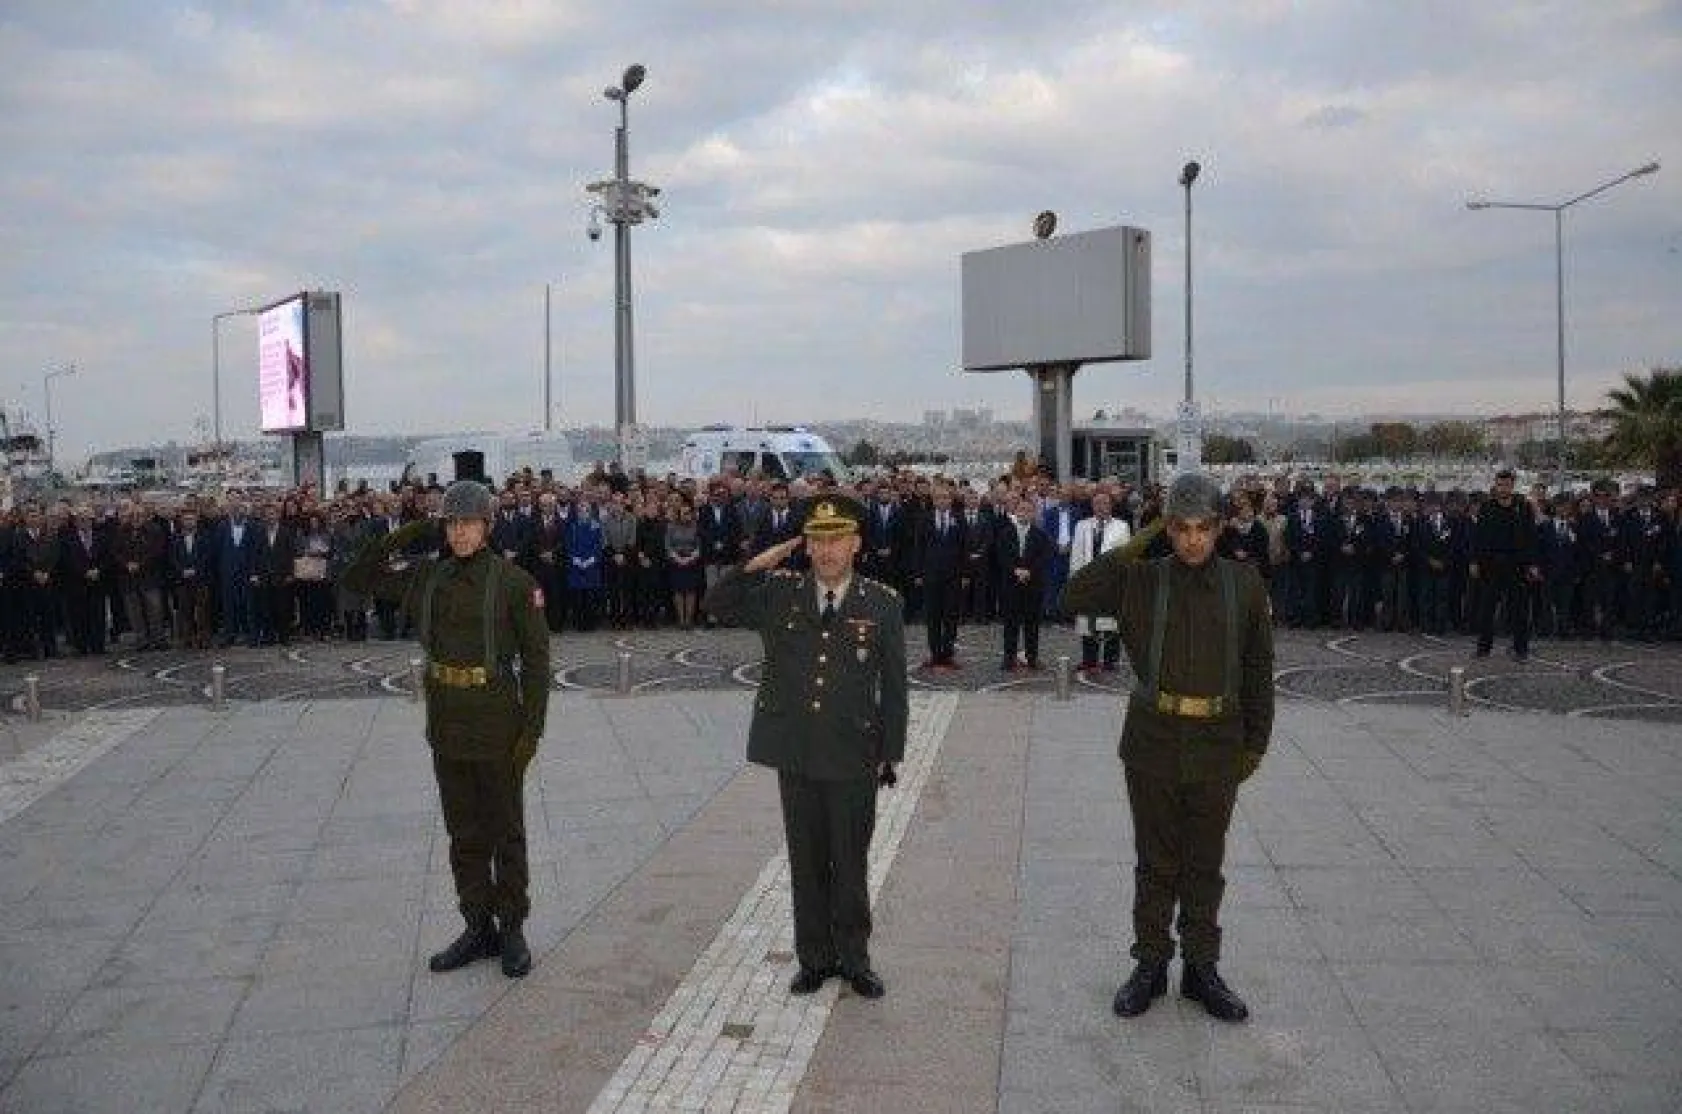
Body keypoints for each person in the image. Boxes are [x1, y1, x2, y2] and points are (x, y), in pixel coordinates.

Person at [1061, 471, 1275, 1023]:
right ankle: (1150, 963)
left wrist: (1256, 744)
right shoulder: (1143, 579)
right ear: (1168, 529)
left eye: (1204, 528)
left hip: (1217, 743)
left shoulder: (1244, 584)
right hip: (1153, 741)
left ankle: (1202, 968)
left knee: (1205, 863)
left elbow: (1257, 670)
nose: (1193, 540)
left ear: (1220, 527)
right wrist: (1140, 537)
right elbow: (1074, 593)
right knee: (1155, 862)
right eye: (1180, 528)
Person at [341, 480, 551, 979]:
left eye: (469, 523)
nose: (460, 533)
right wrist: (413, 525)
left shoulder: (514, 583)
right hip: (447, 723)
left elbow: (538, 662)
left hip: (499, 725)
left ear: (487, 527)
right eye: (452, 524)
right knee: (464, 834)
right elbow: (357, 575)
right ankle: (476, 925)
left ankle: (512, 929)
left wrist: (531, 733)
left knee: (506, 833)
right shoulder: (427, 577)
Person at [702, 495, 907, 1000]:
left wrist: (890, 751)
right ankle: (814, 959)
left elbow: (895, 686)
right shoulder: (780, 594)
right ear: (805, 546)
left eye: (837, 539)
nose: (827, 550)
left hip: (853, 753)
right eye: (817, 540)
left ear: (856, 543)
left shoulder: (882, 603)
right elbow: (717, 605)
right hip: (796, 752)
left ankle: (855, 959)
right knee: (806, 861)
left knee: (850, 860)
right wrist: (757, 564)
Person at [1470, 469, 1539, 661]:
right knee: (1487, 609)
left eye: (1507, 485)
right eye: (1500, 485)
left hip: (1517, 565)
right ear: (1495, 485)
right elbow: (1478, 537)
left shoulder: (1523, 507)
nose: (1503, 489)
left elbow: (1531, 536)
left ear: (1512, 485)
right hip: (1491, 565)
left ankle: (1521, 649)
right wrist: (1475, 561)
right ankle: (1483, 649)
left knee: (1520, 610)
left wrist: (1532, 563)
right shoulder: (1487, 507)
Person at [1070, 492, 1132, 673]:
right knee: (1088, 622)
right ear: (1092, 505)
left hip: (1110, 582)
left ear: (1111, 506)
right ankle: (1089, 660)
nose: (1101, 507)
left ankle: (1109, 660)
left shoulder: (1122, 526)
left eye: (1105, 503)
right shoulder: (1082, 525)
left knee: (1110, 621)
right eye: (1097, 503)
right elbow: (1076, 553)